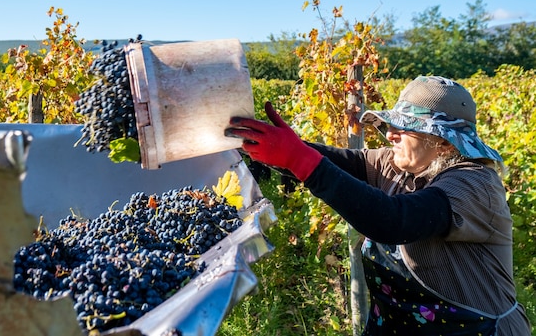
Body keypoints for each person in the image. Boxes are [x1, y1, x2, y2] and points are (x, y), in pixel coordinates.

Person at [226, 76, 531, 335]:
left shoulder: (474, 183)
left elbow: (395, 220)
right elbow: (336, 163)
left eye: (405, 127)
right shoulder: (397, 164)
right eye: (391, 124)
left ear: (444, 143)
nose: (390, 134)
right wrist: (273, 146)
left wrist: (298, 158)